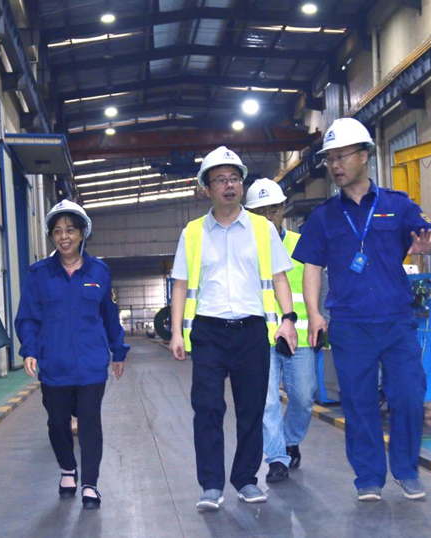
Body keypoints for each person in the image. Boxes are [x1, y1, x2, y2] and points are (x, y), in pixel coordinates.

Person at [292, 118, 431, 502]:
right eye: (330, 159)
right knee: (359, 403)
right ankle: (369, 477)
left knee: (408, 395)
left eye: (341, 156)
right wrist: (314, 314)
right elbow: (312, 267)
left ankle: (406, 470)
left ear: (363, 156)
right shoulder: (324, 216)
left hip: (396, 321)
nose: (335, 165)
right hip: (350, 324)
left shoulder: (397, 205)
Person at [169, 146, 299, 511]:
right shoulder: (193, 232)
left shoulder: (262, 229)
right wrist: (177, 332)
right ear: (206, 188)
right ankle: (211, 485)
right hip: (208, 332)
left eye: (234, 179)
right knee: (207, 408)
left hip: (252, 331)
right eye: (220, 180)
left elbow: (280, 278)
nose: (229, 186)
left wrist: (288, 319)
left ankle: (245, 479)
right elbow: (180, 284)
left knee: (251, 409)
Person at [15, 200, 129, 510]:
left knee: (90, 422)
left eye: (70, 230)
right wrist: (30, 349)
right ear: (51, 236)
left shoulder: (99, 272)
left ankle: (90, 484)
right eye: (57, 231)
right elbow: (28, 318)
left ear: (82, 233)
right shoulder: (39, 274)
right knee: (57, 422)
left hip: (92, 364)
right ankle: (68, 468)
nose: (64, 237)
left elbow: (110, 315)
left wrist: (118, 350)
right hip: (55, 364)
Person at [244, 178, 316, 484]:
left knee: (304, 397)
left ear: (283, 209)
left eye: (273, 210)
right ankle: (276, 458)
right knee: (268, 401)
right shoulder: (244, 249)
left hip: (298, 335)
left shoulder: (301, 244)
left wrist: (319, 320)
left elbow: (319, 285)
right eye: (260, 212)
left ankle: (290, 440)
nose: (268, 217)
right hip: (260, 337)